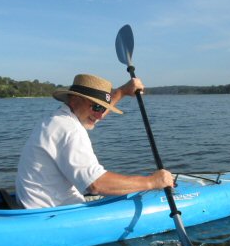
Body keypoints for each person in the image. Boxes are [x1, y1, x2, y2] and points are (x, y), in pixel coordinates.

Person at [15, 74, 174, 209]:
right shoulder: (70, 130)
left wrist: (123, 91)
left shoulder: (58, 119)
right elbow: (96, 185)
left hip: (32, 205)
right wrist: (152, 182)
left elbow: (95, 114)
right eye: (96, 107)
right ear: (74, 100)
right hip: (49, 214)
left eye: (103, 108)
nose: (99, 115)